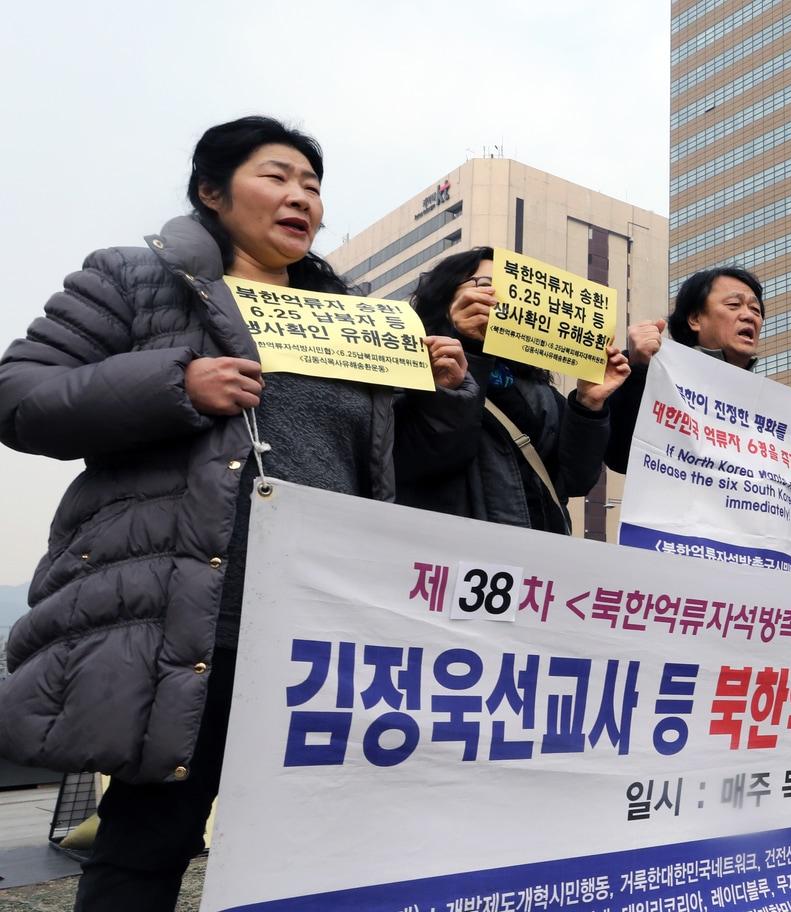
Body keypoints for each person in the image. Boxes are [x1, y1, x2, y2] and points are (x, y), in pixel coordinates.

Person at [0, 117, 478, 911]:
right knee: (151, 837)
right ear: (211, 193)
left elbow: (402, 467)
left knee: (313, 846)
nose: (301, 198)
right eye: (278, 176)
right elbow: (20, 397)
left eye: (313, 186)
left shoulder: (359, 319)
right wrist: (176, 387)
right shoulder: (135, 279)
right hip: (197, 616)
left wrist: (446, 391)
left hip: (323, 627)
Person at [399, 248, 630, 531]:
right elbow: (424, 459)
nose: (496, 297)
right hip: (453, 556)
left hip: (538, 559)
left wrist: (587, 405)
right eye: (484, 285)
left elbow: (576, 480)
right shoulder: (408, 374)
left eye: (508, 289)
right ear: (444, 299)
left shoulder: (537, 389)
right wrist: (464, 352)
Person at [605, 266, 791, 472]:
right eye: (734, 305)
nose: (749, 315)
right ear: (695, 318)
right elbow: (619, 456)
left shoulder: (773, 410)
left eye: (756, 310)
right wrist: (640, 371)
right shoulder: (645, 373)